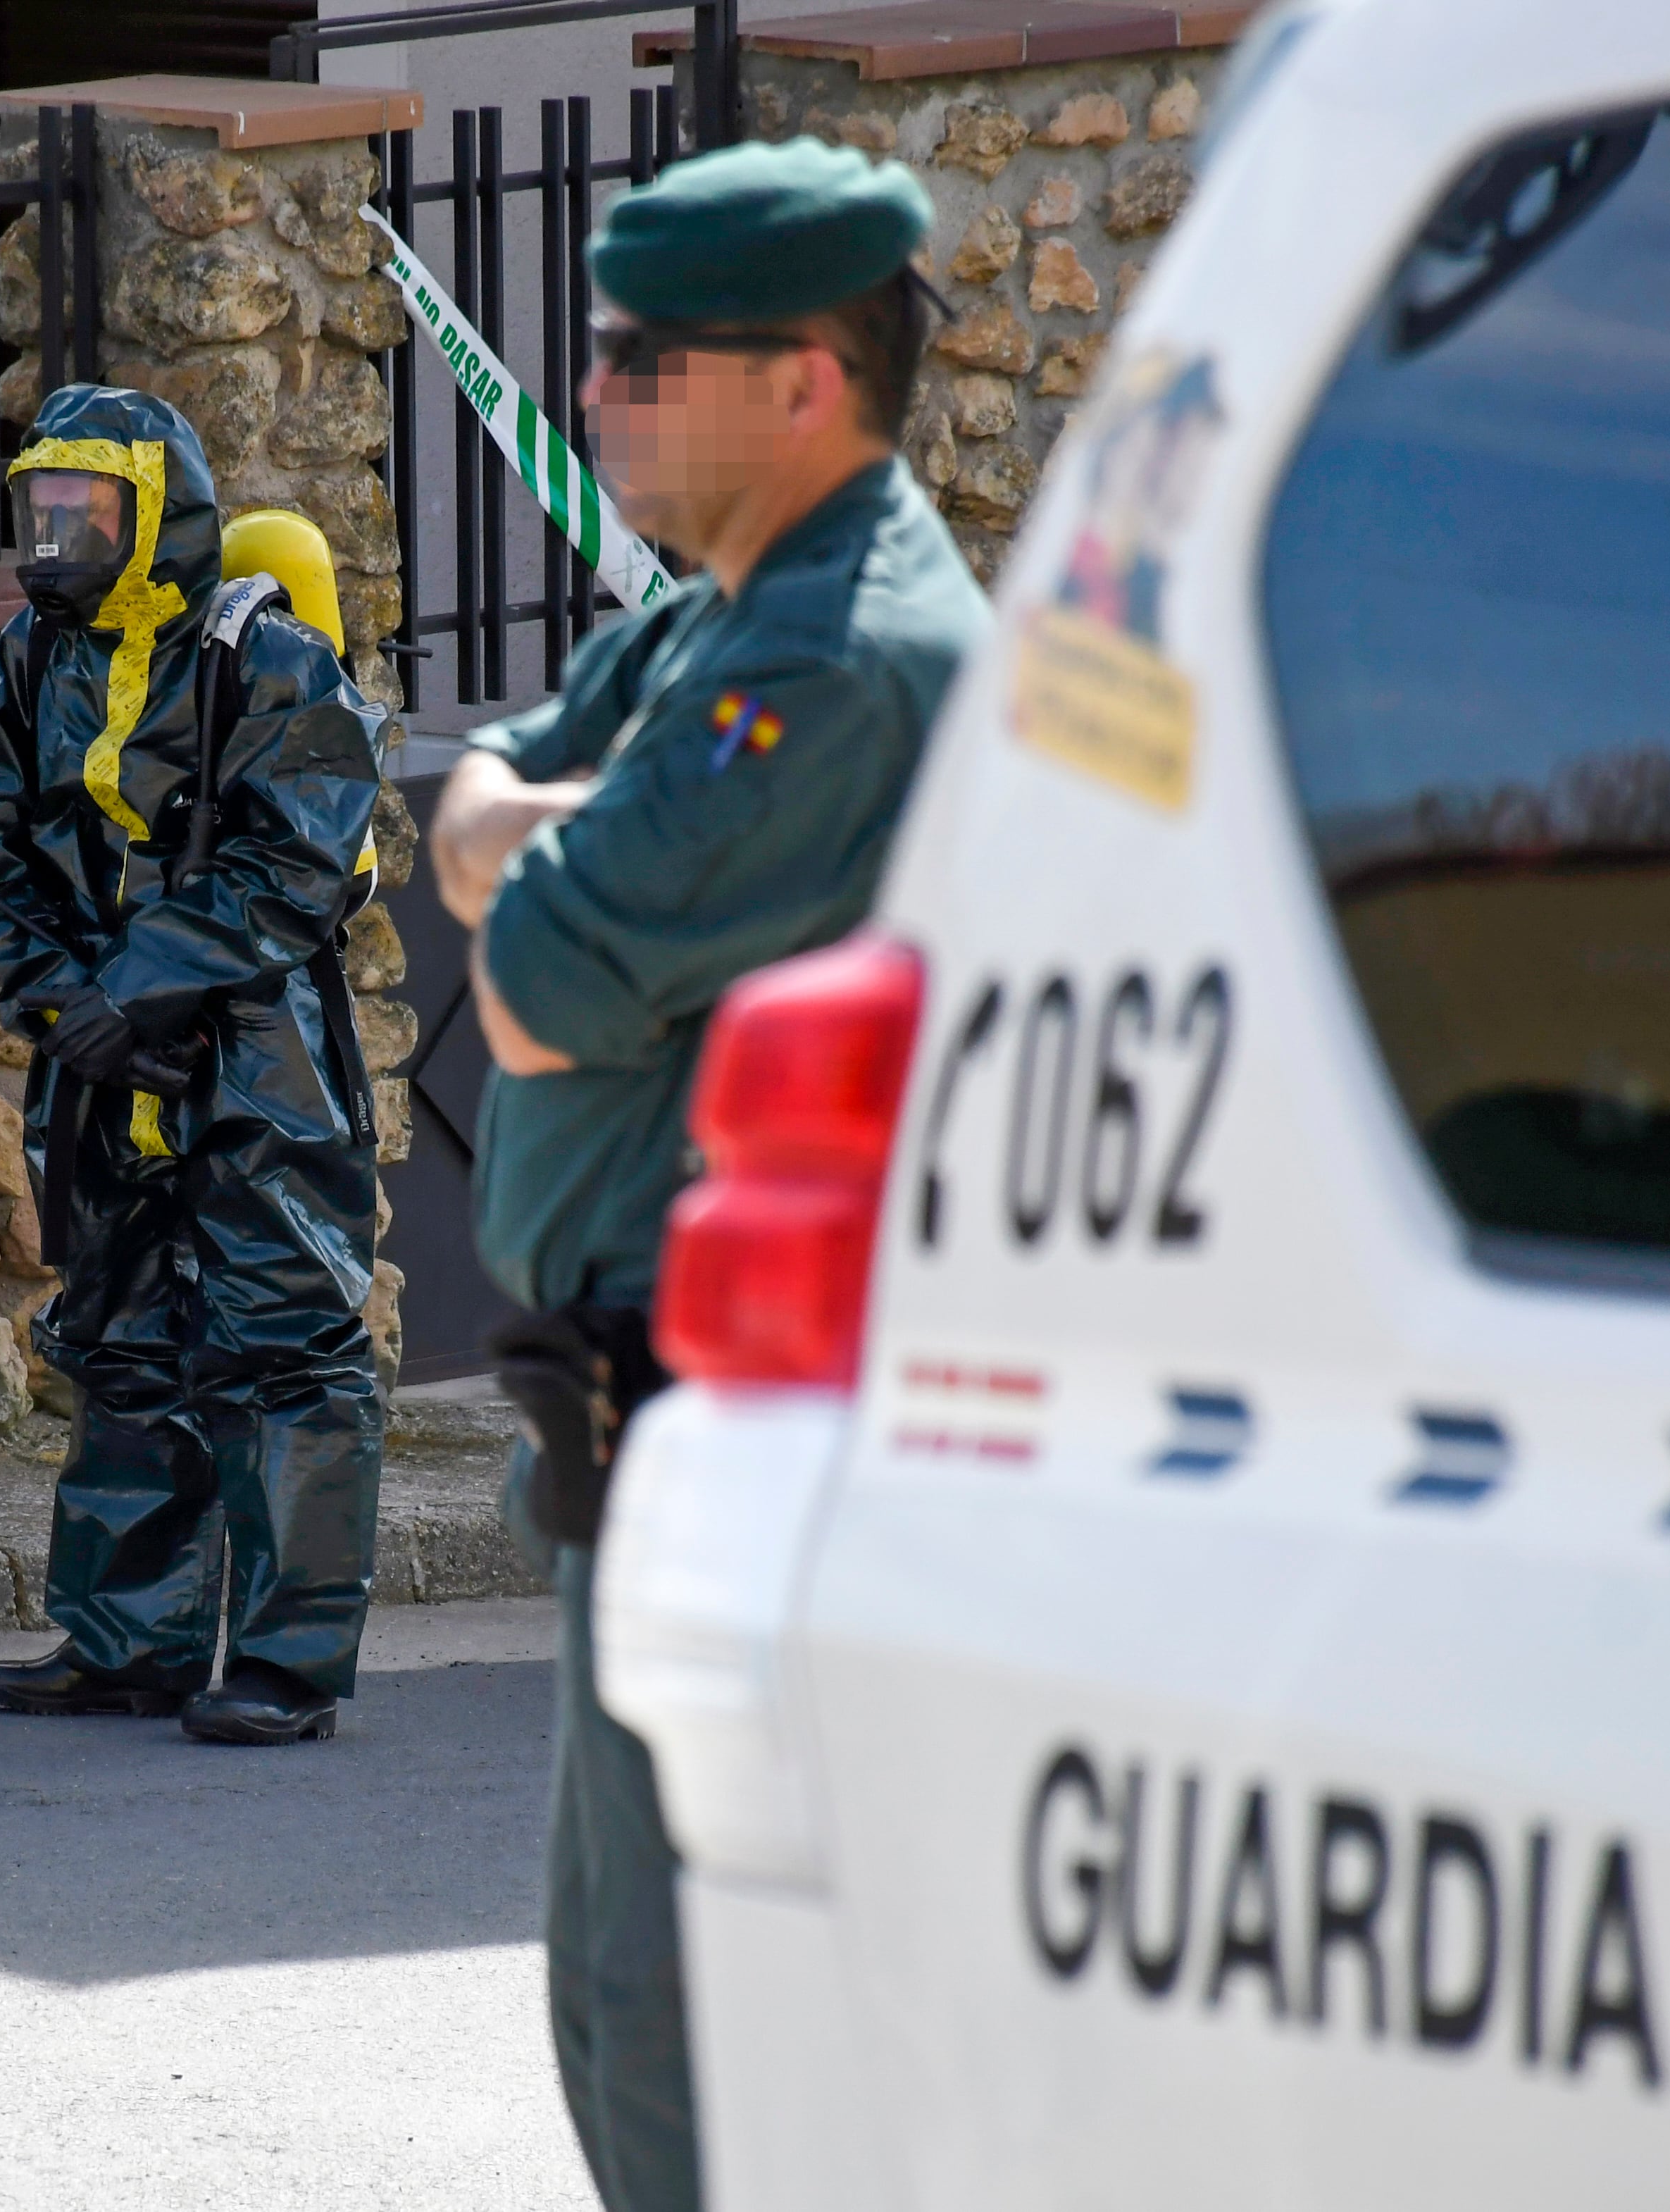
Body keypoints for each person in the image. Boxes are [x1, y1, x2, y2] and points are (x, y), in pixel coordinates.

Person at [427, 138, 992, 2211]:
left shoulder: (831, 656)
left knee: (695, 2026)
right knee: (622, 1994)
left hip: (759, 1422)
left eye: (645, 355)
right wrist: (535, 833)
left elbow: (538, 985)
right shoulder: (717, 624)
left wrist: (527, 854)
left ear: (807, 380)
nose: (593, 390)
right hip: (643, 1412)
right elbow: (477, 808)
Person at [0, 384, 391, 1748]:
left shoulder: (264, 658)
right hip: (96, 1055)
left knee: (287, 1345)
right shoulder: (29, 660)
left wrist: (142, 987)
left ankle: (285, 1664)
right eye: (46, 508)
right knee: (123, 1339)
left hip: (252, 1057)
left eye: (91, 509)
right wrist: (61, 997)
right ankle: (127, 1643)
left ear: (161, 515)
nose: (61, 533)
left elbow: (299, 853)